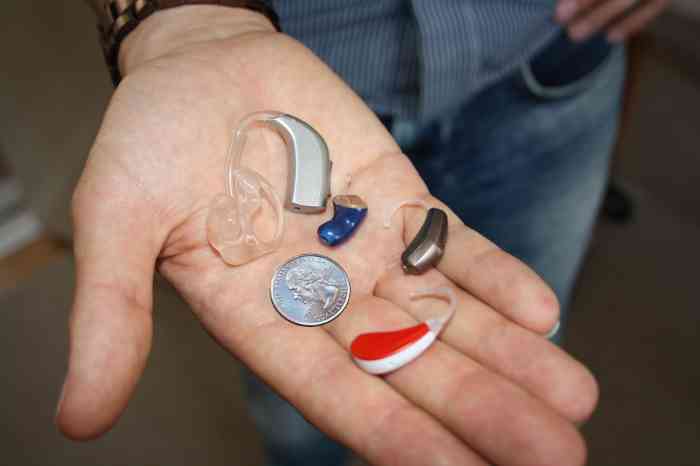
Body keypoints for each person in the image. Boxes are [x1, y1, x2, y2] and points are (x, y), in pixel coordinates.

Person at [57, 1, 668, 465]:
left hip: (550, 59)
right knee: (307, 413)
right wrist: (181, 20)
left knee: (522, 348)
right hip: (299, 65)